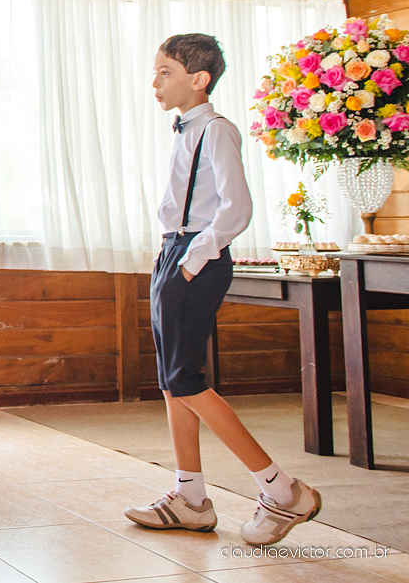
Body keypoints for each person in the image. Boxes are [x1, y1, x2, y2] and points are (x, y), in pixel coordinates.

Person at [124, 33, 321, 546]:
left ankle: (282, 490)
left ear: (198, 79)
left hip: (195, 258)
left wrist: (190, 263)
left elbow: (236, 208)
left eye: (164, 72)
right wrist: (171, 258)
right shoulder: (185, 130)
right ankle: (190, 498)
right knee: (173, 381)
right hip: (173, 253)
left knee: (187, 380)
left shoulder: (216, 130)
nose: (155, 82)